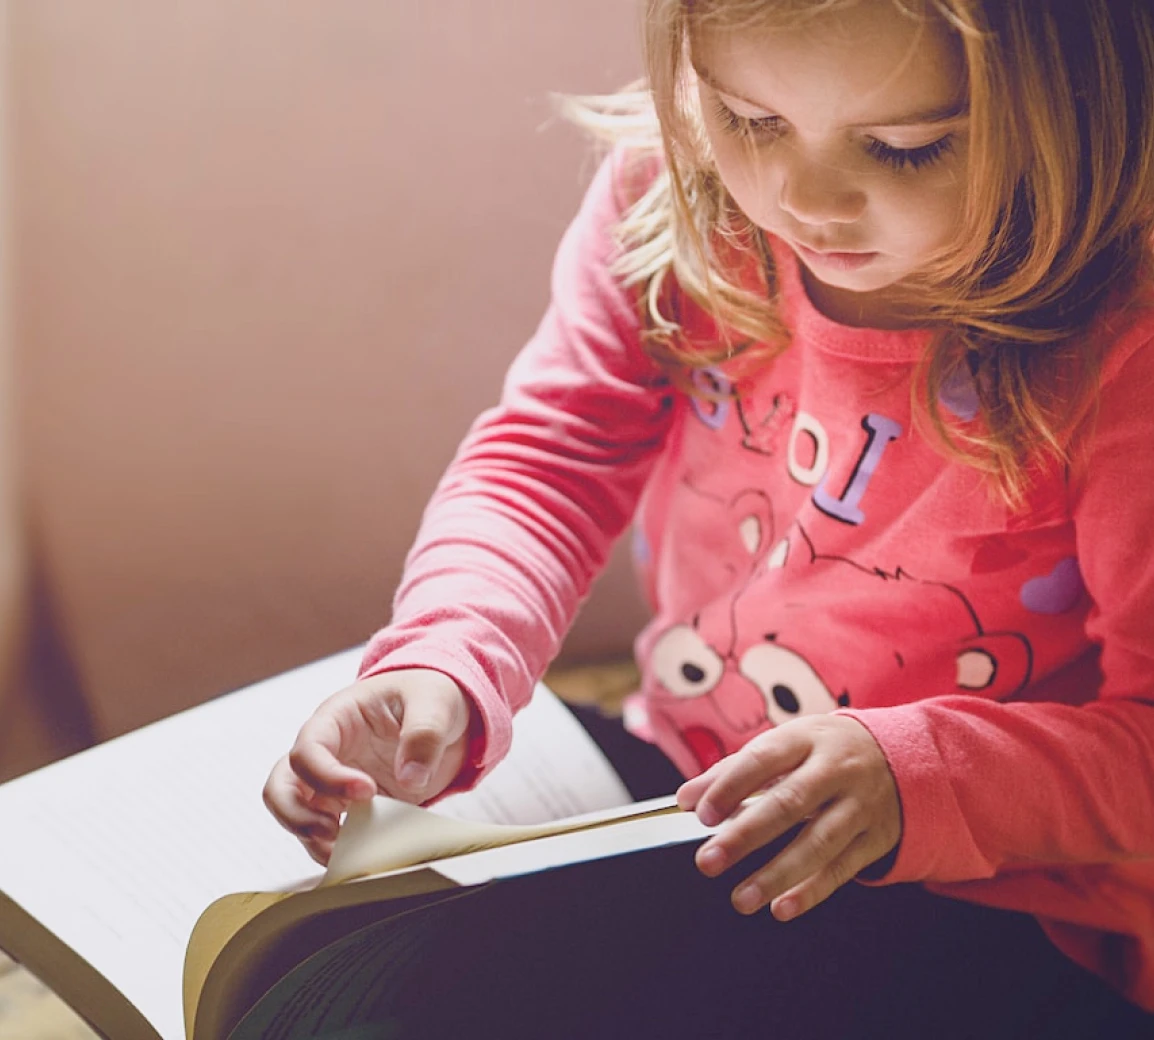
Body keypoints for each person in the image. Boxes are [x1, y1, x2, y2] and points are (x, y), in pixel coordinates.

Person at [264, 0, 1154, 1035]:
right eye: (749, 120)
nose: (803, 198)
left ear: (1095, 101)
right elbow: (552, 454)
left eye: (906, 148)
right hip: (694, 790)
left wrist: (916, 775)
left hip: (1021, 910)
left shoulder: (1120, 345)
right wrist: (446, 655)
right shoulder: (680, 200)